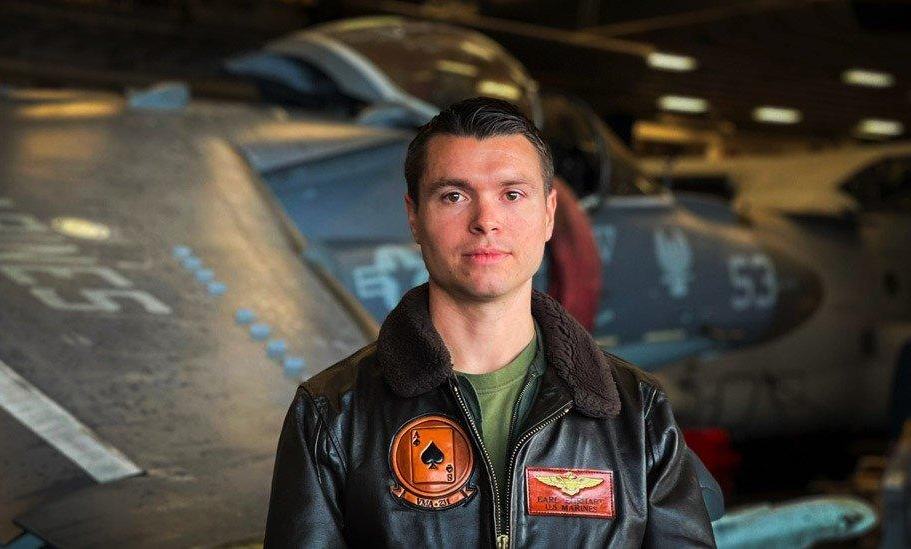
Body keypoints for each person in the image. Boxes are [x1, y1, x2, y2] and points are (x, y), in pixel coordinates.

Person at [265, 97, 716, 547]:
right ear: (414, 217)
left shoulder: (637, 413)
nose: (486, 221)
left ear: (548, 214)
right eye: (454, 196)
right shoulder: (332, 414)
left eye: (512, 194)